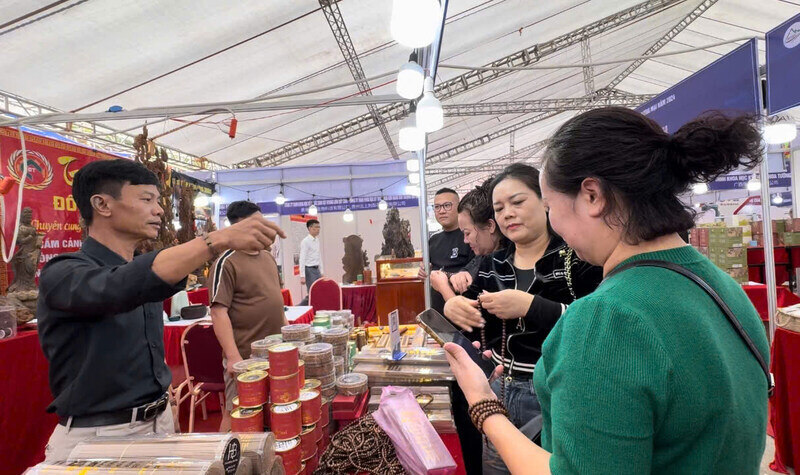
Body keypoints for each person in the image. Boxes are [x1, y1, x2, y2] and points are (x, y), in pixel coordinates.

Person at [444, 108, 769, 474]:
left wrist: (483, 404)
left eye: (550, 206)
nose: (552, 222)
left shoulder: (605, 318)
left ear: (593, 196)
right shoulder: (723, 287)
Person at [37, 159, 285, 461]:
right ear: (102, 204)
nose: (159, 210)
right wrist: (218, 239)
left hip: (158, 424)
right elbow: (120, 286)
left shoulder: (145, 270)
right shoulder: (63, 273)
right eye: (146, 199)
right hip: (99, 437)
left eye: (158, 200)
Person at [444, 163, 602, 474]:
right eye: (499, 208)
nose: (507, 214)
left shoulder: (576, 257)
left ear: (544, 202)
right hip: (500, 389)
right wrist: (453, 308)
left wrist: (531, 306)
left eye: (517, 202)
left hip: (557, 395)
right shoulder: (493, 264)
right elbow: (472, 312)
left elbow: (594, 324)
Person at [209, 201, 288, 432]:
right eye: (257, 222)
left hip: (276, 354)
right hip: (245, 357)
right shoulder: (226, 262)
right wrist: (233, 357)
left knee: (275, 409)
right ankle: (222, 464)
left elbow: (275, 301)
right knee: (237, 413)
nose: (264, 227)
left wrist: (287, 333)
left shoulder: (267, 257)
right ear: (239, 226)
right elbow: (218, 311)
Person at [430, 178, 507, 302]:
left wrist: (443, 287)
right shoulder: (486, 258)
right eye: (437, 207)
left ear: (490, 226)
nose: (465, 240)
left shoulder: (504, 262)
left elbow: (471, 315)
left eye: (467, 233)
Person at [419, 188, 474, 314]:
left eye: (447, 205)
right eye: (437, 207)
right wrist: (424, 271)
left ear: (459, 207)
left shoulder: (469, 237)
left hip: (464, 311)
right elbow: (429, 272)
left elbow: (473, 272)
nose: (442, 211)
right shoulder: (433, 240)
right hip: (437, 313)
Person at [299, 219, 323, 304]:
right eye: (316, 227)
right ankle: (299, 307)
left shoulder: (317, 240)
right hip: (309, 270)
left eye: (319, 227)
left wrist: (322, 271)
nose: (318, 229)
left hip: (316, 269)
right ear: (310, 228)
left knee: (320, 291)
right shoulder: (305, 241)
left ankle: (314, 309)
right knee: (312, 292)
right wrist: (302, 275)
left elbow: (319, 256)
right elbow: (302, 258)